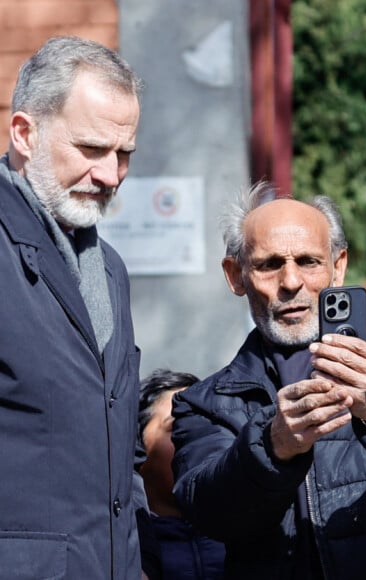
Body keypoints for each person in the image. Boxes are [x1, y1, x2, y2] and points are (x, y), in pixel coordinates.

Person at [171, 182, 366, 579]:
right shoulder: (205, 403)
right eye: (269, 264)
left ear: (338, 266)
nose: (291, 282)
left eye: (308, 262)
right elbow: (210, 515)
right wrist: (273, 446)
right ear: (236, 276)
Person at [0, 36, 150, 579]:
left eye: (124, 154)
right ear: (25, 132)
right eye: (91, 149)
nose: (111, 176)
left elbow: (119, 443)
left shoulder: (109, 268)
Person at [138, 369, 226, 580]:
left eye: (207, 427)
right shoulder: (121, 546)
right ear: (138, 448)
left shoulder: (249, 534)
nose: (197, 439)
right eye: (177, 425)